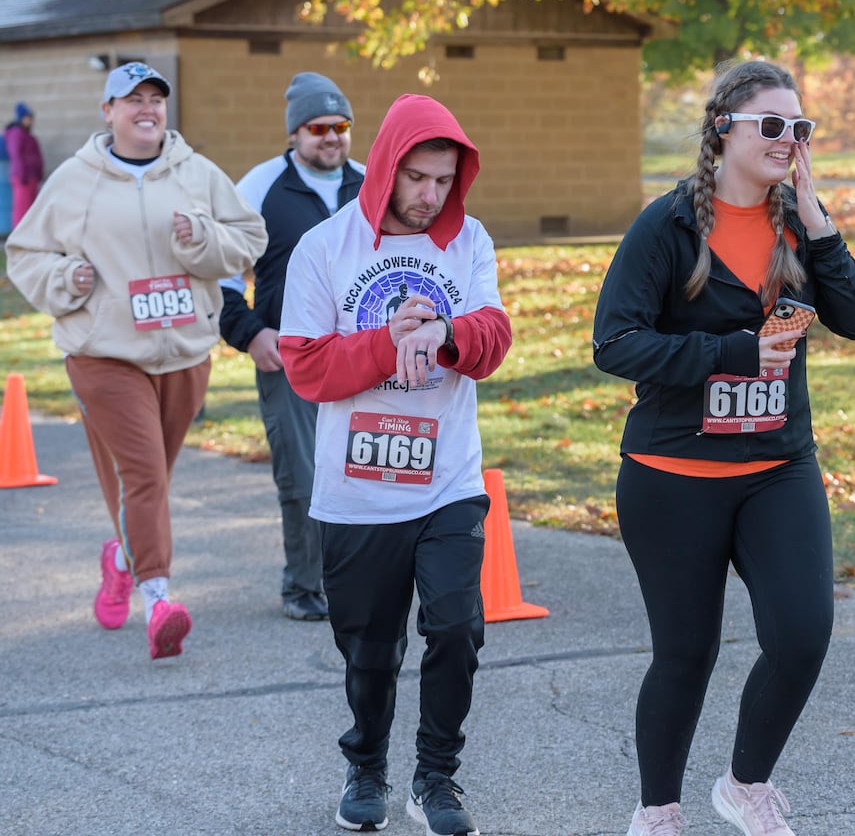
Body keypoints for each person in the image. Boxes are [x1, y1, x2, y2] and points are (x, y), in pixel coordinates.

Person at [592, 59, 855, 836]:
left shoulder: (799, 227)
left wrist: (821, 227)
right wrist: (728, 353)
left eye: (801, 128)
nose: (790, 140)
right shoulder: (667, 226)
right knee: (686, 653)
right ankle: (657, 811)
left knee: (802, 634)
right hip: (671, 473)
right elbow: (614, 344)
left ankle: (745, 784)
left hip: (777, 467)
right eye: (773, 126)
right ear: (724, 131)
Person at [278, 93, 512, 836]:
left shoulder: (469, 240)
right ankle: (367, 765)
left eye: (444, 180)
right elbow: (306, 367)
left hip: (448, 481)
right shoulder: (324, 247)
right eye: (416, 177)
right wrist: (389, 341)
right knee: (369, 652)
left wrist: (443, 332)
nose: (430, 195)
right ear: (383, 167)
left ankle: (437, 777)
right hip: (356, 494)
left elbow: (495, 336)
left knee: (456, 626)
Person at [4, 63, 267, 660]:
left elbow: (249, 237)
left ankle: (122, 557)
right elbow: (24, 253)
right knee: (146, 478)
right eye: (132, 100)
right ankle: (160, 601)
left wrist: (204, 240)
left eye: (155, 99)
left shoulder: (196, 172)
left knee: (151, 482)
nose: (146, 109)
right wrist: (65, 278)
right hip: (105, 355)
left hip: (183, 353)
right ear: (109, 112)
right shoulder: (75, 180)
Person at [220, 72, 364, 621]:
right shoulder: (259, 186)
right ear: (294, 134)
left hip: (363, 359)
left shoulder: (372, 183)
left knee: (368, 473)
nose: (330, 136)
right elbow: (222, 278)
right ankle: (305, 587)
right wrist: (251, 333)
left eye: (340, 125)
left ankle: (361, 583)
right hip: (290, 358)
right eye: (317, 127)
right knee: (304, 476)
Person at [6, 101, 44, 227]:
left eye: (31, 118)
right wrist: (23, 175)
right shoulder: (17, 134)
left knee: (31, 209)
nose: (30, 121)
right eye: (28, 118)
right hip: (24, 178)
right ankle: (18, 237)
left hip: (31, 177)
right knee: (22, 209)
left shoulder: (28, 135)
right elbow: (16, 154)